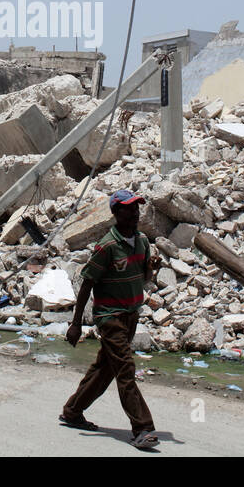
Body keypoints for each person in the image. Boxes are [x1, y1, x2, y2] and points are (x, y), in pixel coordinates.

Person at [60, 188, 161, 450]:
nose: (135, 212)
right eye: (129, 208)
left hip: (130, 316)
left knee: (104, 369)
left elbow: (145, 278)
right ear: (116, 213)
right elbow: (87, 284)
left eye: (137, 207)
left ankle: (72, 411)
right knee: (125, 370)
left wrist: (153, 268)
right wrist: (76, 323)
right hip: (109, 317)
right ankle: (143, 428)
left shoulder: (142, 242)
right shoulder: (106, 246)